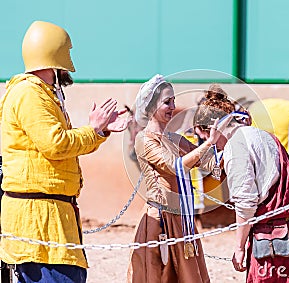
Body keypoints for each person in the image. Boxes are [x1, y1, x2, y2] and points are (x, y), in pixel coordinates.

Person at [0, 21, 130, 283]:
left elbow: (61, 146)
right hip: (40, 219)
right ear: (54, 55)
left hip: (51, 214)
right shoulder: (29, 93)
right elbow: (56, 144)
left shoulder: (42, 94)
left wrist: (100, 132)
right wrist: (94, 129)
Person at [193, 84, 289, 282]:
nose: (210, 145)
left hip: (272, 243)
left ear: (213, 129)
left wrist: (239, 247)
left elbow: (246, 204)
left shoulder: (236, 147)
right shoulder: (262, 134)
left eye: (206, 138)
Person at [127, 75, 226, 283]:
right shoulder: (144, 139)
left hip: (183, 219)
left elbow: (210, 165)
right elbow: (175, 166)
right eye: (166, 102)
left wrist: (225, 143)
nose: (173, 106)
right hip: (160, 220)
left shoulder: (175, 138)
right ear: (152, 106)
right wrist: (208, 144)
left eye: (173, 100)